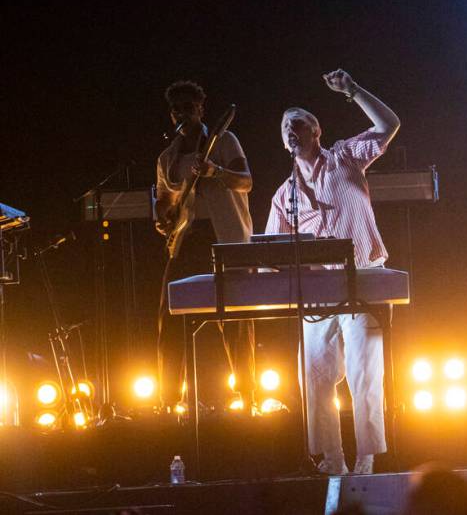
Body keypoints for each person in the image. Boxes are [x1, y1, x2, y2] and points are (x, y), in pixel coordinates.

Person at [265, 69, 399, 475]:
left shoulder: (344, 156)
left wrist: (353, 90)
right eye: (286, 126)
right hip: (317, 291)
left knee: (364, 372)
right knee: (316, 375)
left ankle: (366, 459)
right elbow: (271, 252)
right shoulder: (283, 194)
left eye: (299, 123)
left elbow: (388, 125)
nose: (292, 129)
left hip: (363, 276)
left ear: (316, 131)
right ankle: (333, 458)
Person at [155, 80, 255, 409]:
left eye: (187, 107)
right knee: (169, 315)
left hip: (226, 239)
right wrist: (163, 217)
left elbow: (245, 181)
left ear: (201, 108)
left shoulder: (224, 141)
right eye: (175, 110)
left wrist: (214, 171)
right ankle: (170, 402)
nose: (181, 114)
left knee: (236, 322)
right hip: (187, 242)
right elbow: (165, 202)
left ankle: (249, 399)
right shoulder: (167, 157)